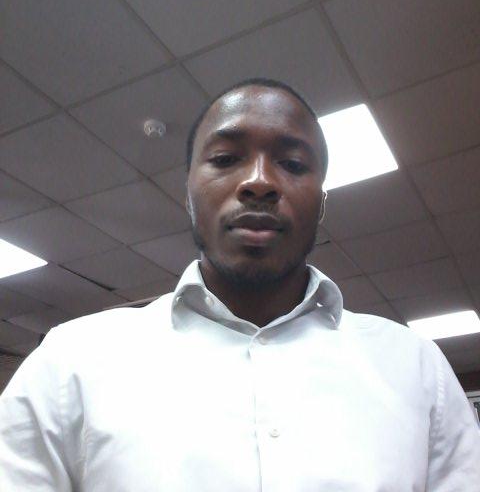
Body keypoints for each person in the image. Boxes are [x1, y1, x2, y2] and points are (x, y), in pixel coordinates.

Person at [0, 78, 479, 491]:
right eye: (226, 158)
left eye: (293, 164)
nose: (259, 182)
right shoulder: (72, 364)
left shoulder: (418, 371)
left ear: (321, 201)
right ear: (188, 194)